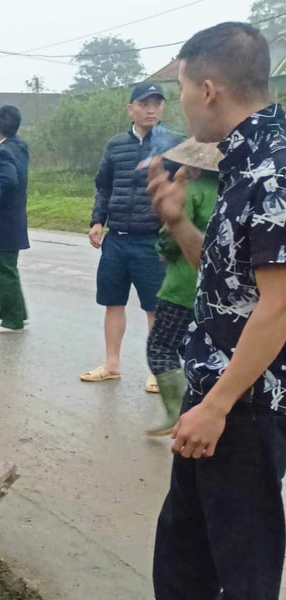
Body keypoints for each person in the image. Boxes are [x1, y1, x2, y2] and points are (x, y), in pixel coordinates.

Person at [147, 22, 286, 599]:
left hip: (244, 408)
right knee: (183, 565)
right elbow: (232, 282)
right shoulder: (238, 161)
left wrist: (219, 406)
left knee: (240, 572)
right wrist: (180, 222)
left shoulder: (272, 169)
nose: (179, 102)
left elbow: (280, 305)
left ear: (208, 89)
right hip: (214, 399)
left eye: (179, 87)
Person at [81, 81, 181, 392]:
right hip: (117, 238)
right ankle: (111, 365)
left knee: (156, 307)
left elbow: (188, 188)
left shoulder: (175, 144)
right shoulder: (115, 145)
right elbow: (104, 186)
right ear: (131, 108)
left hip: (154, 240)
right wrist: (98, 220)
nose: (151, 108)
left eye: (156, 103)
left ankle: (159, 372)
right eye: (144, 103)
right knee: (113, 302)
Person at [145, 138, 220, 437]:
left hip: (181, 287)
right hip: (213, 291)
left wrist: (162, 248)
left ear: (195, 167)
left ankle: (176, 410)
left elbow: (169, 235)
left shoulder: (189, 190)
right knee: (194, 349)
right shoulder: (231, 192)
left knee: (160, 347)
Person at [0, 105, 30, 334]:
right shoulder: (18, 145)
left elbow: (8, 180)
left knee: (3, 269)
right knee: (10, 268)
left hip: (3, 221)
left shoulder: (4, 153)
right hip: (16, 218)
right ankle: (19, 312)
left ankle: (11, 320)